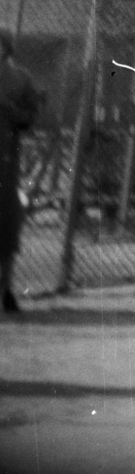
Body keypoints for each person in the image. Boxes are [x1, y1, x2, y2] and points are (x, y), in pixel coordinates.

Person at [0, 30, 43, 314]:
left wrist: (9, 110)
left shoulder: (20, 78)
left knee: (5, 226)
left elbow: (31, 115)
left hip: (4, 160)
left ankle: (7, 290)